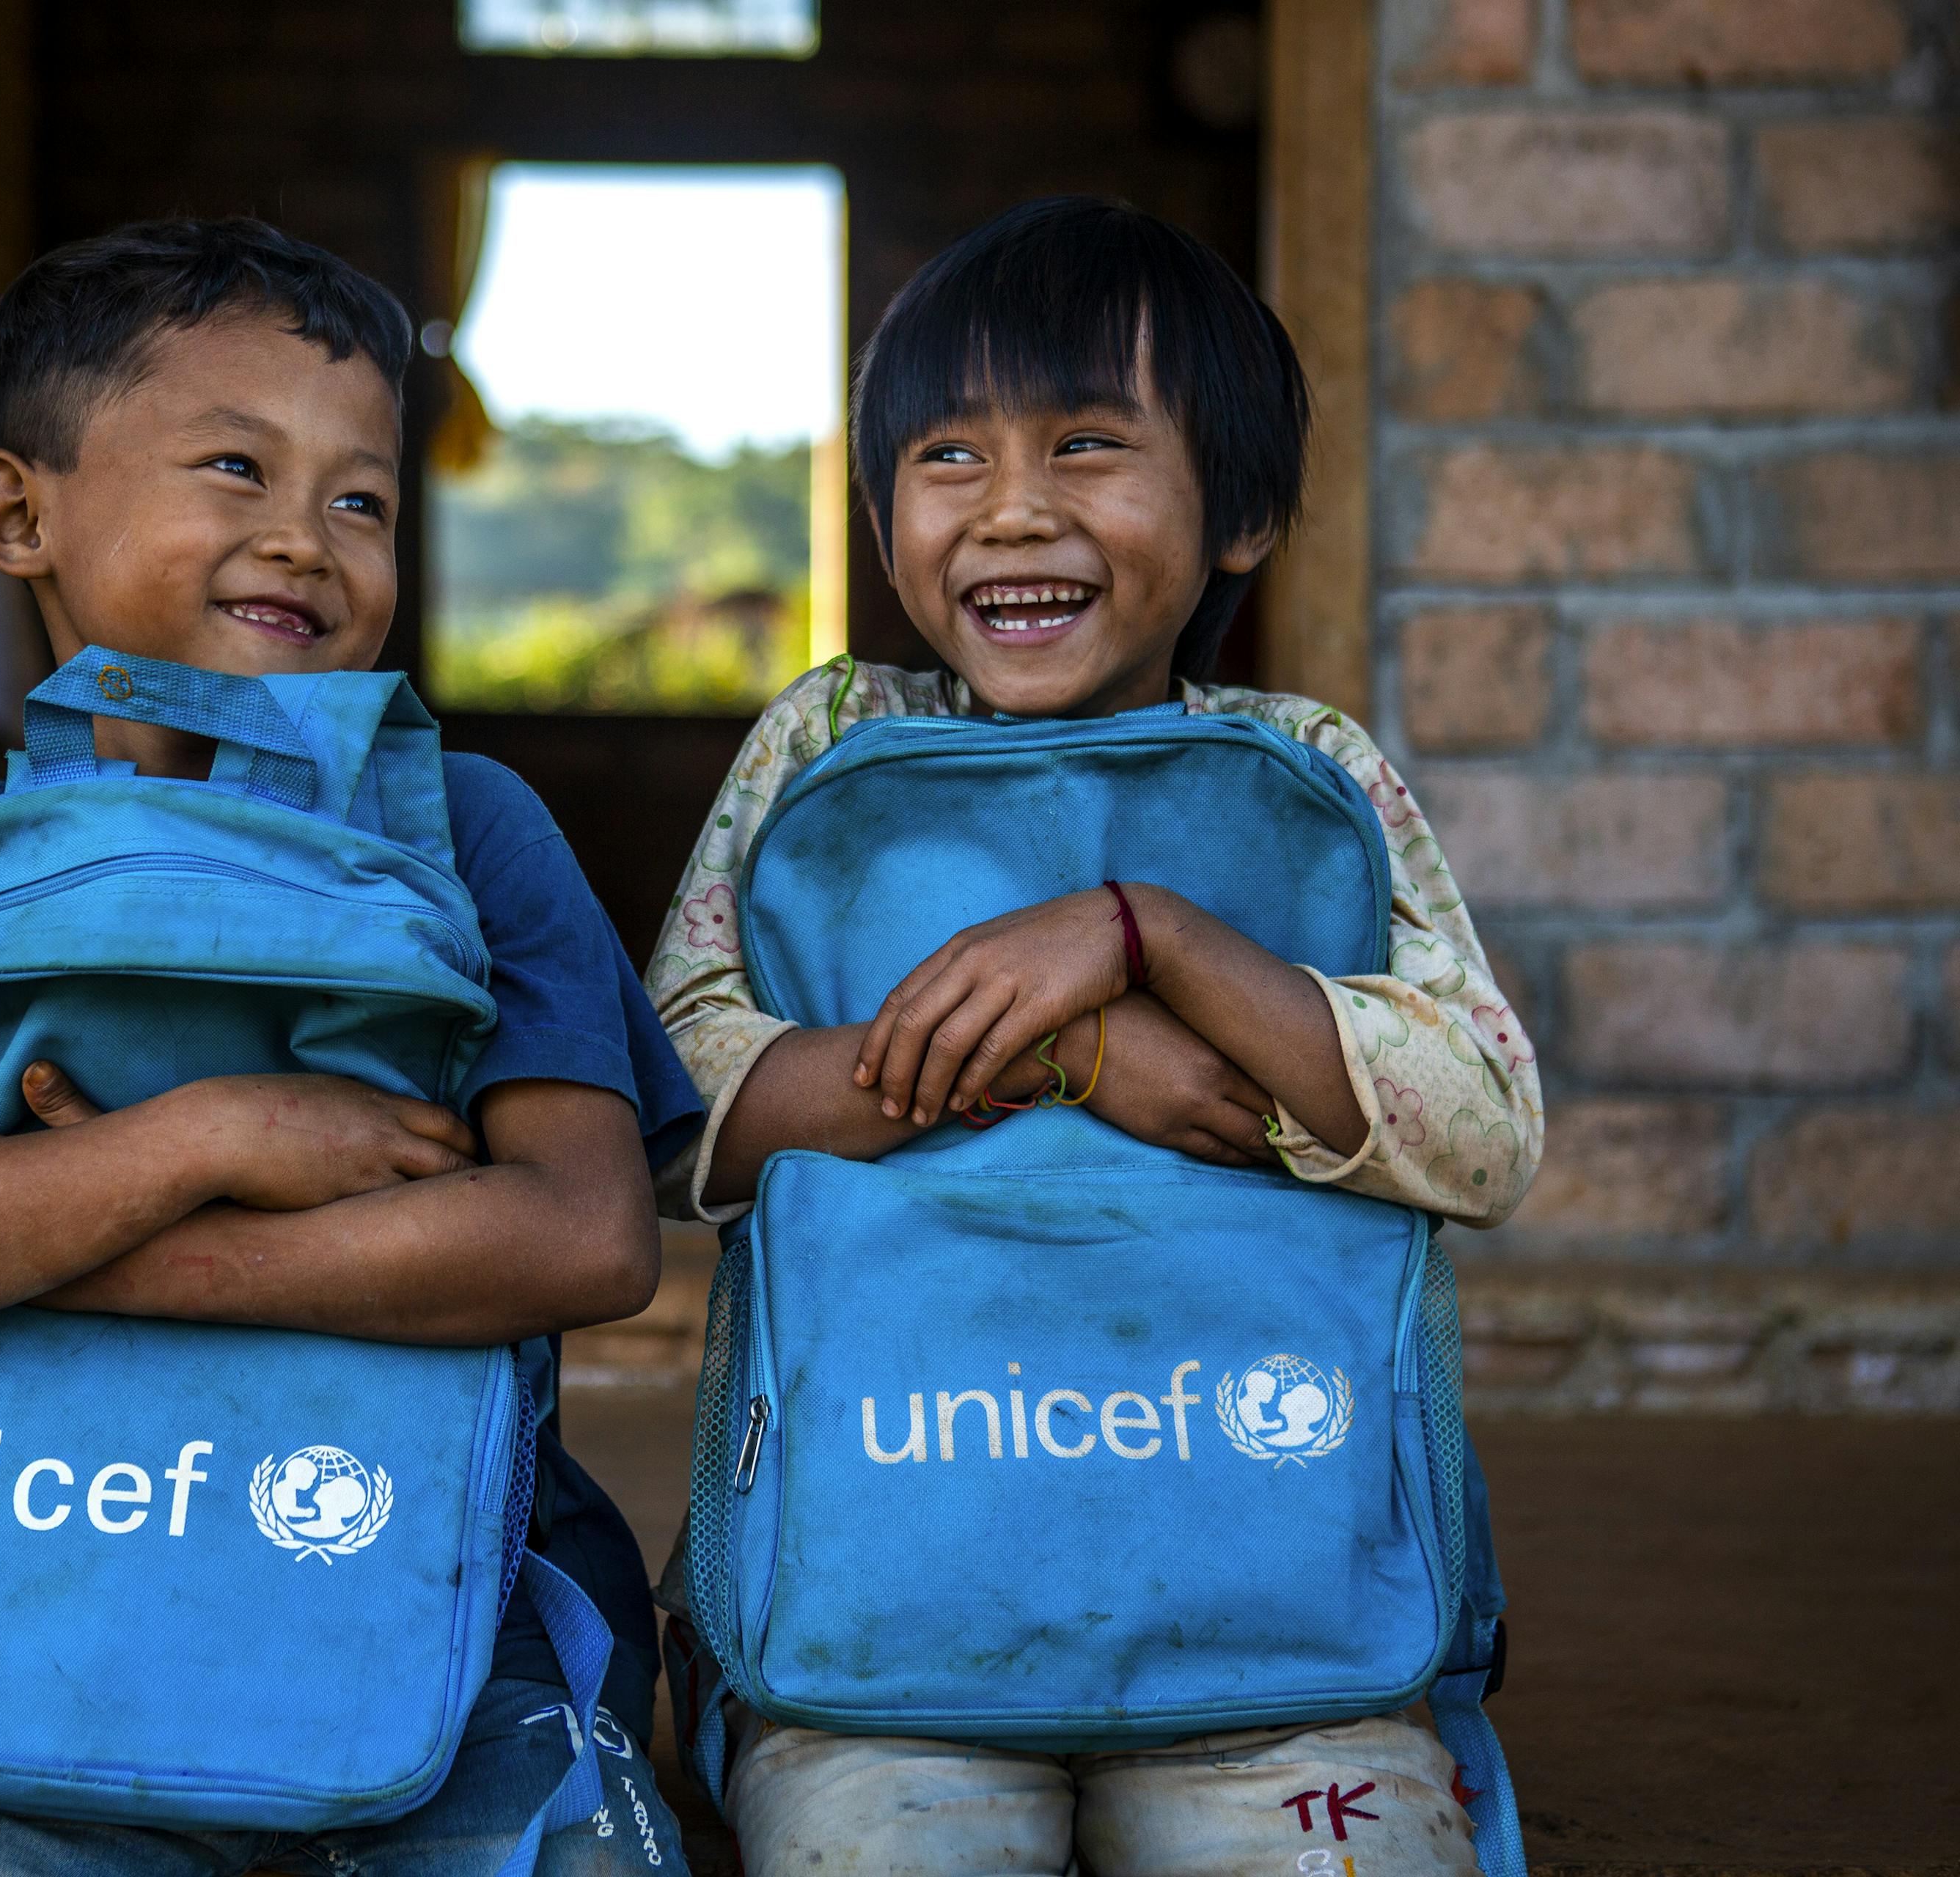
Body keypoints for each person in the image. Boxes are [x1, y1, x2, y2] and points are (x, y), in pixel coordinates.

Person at [0, 218, 700, 1877]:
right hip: (13, 1576)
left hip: (428, 1594)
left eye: (360, 500)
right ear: (17, 512)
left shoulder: (469, 831)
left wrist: (59, 1230)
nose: (307, 541)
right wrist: (218, 1135)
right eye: (235, 469)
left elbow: (582, 1231)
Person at [646, 196, 1545, 1877]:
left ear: (1248, 511)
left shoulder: (1313, 772)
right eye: (947, 459)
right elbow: (672, 1103)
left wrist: (1153, 937)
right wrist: (1064, 1058)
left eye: (1085, 445)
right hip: (881, 1605)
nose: (1013, 512)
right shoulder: (826, 743)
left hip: (1274, 1609)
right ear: (879, 509)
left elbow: (1482, 1123)